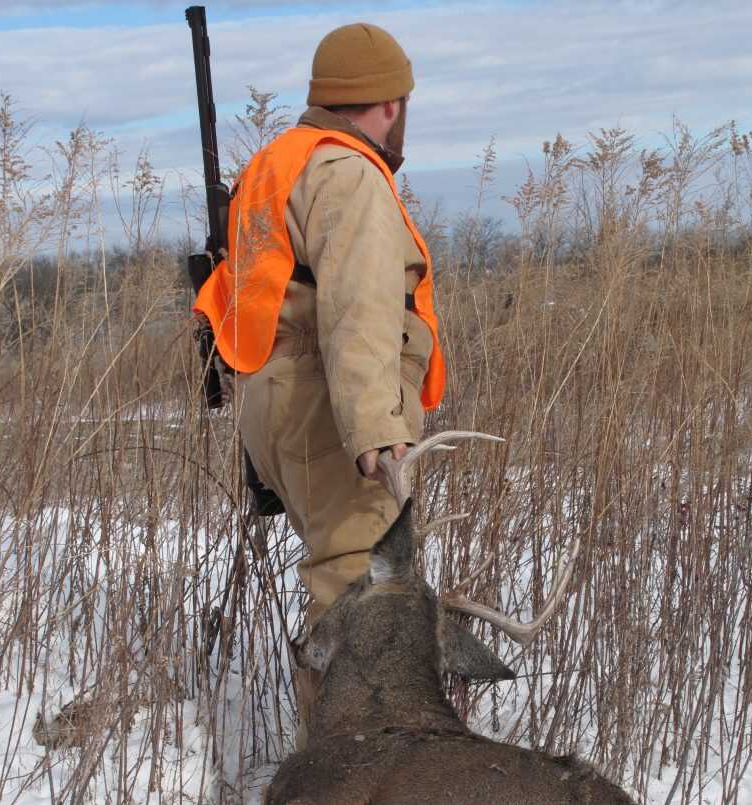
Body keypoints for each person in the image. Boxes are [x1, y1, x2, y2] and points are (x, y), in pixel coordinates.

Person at [193, 22, 446, 745]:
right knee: (362, 600)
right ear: (390, 104)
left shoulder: (279, 162)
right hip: (330, 416)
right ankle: (352, 769)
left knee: (346, 588)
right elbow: (358, 308)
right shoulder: (352, 175)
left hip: (274, 405)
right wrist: (374, 429)